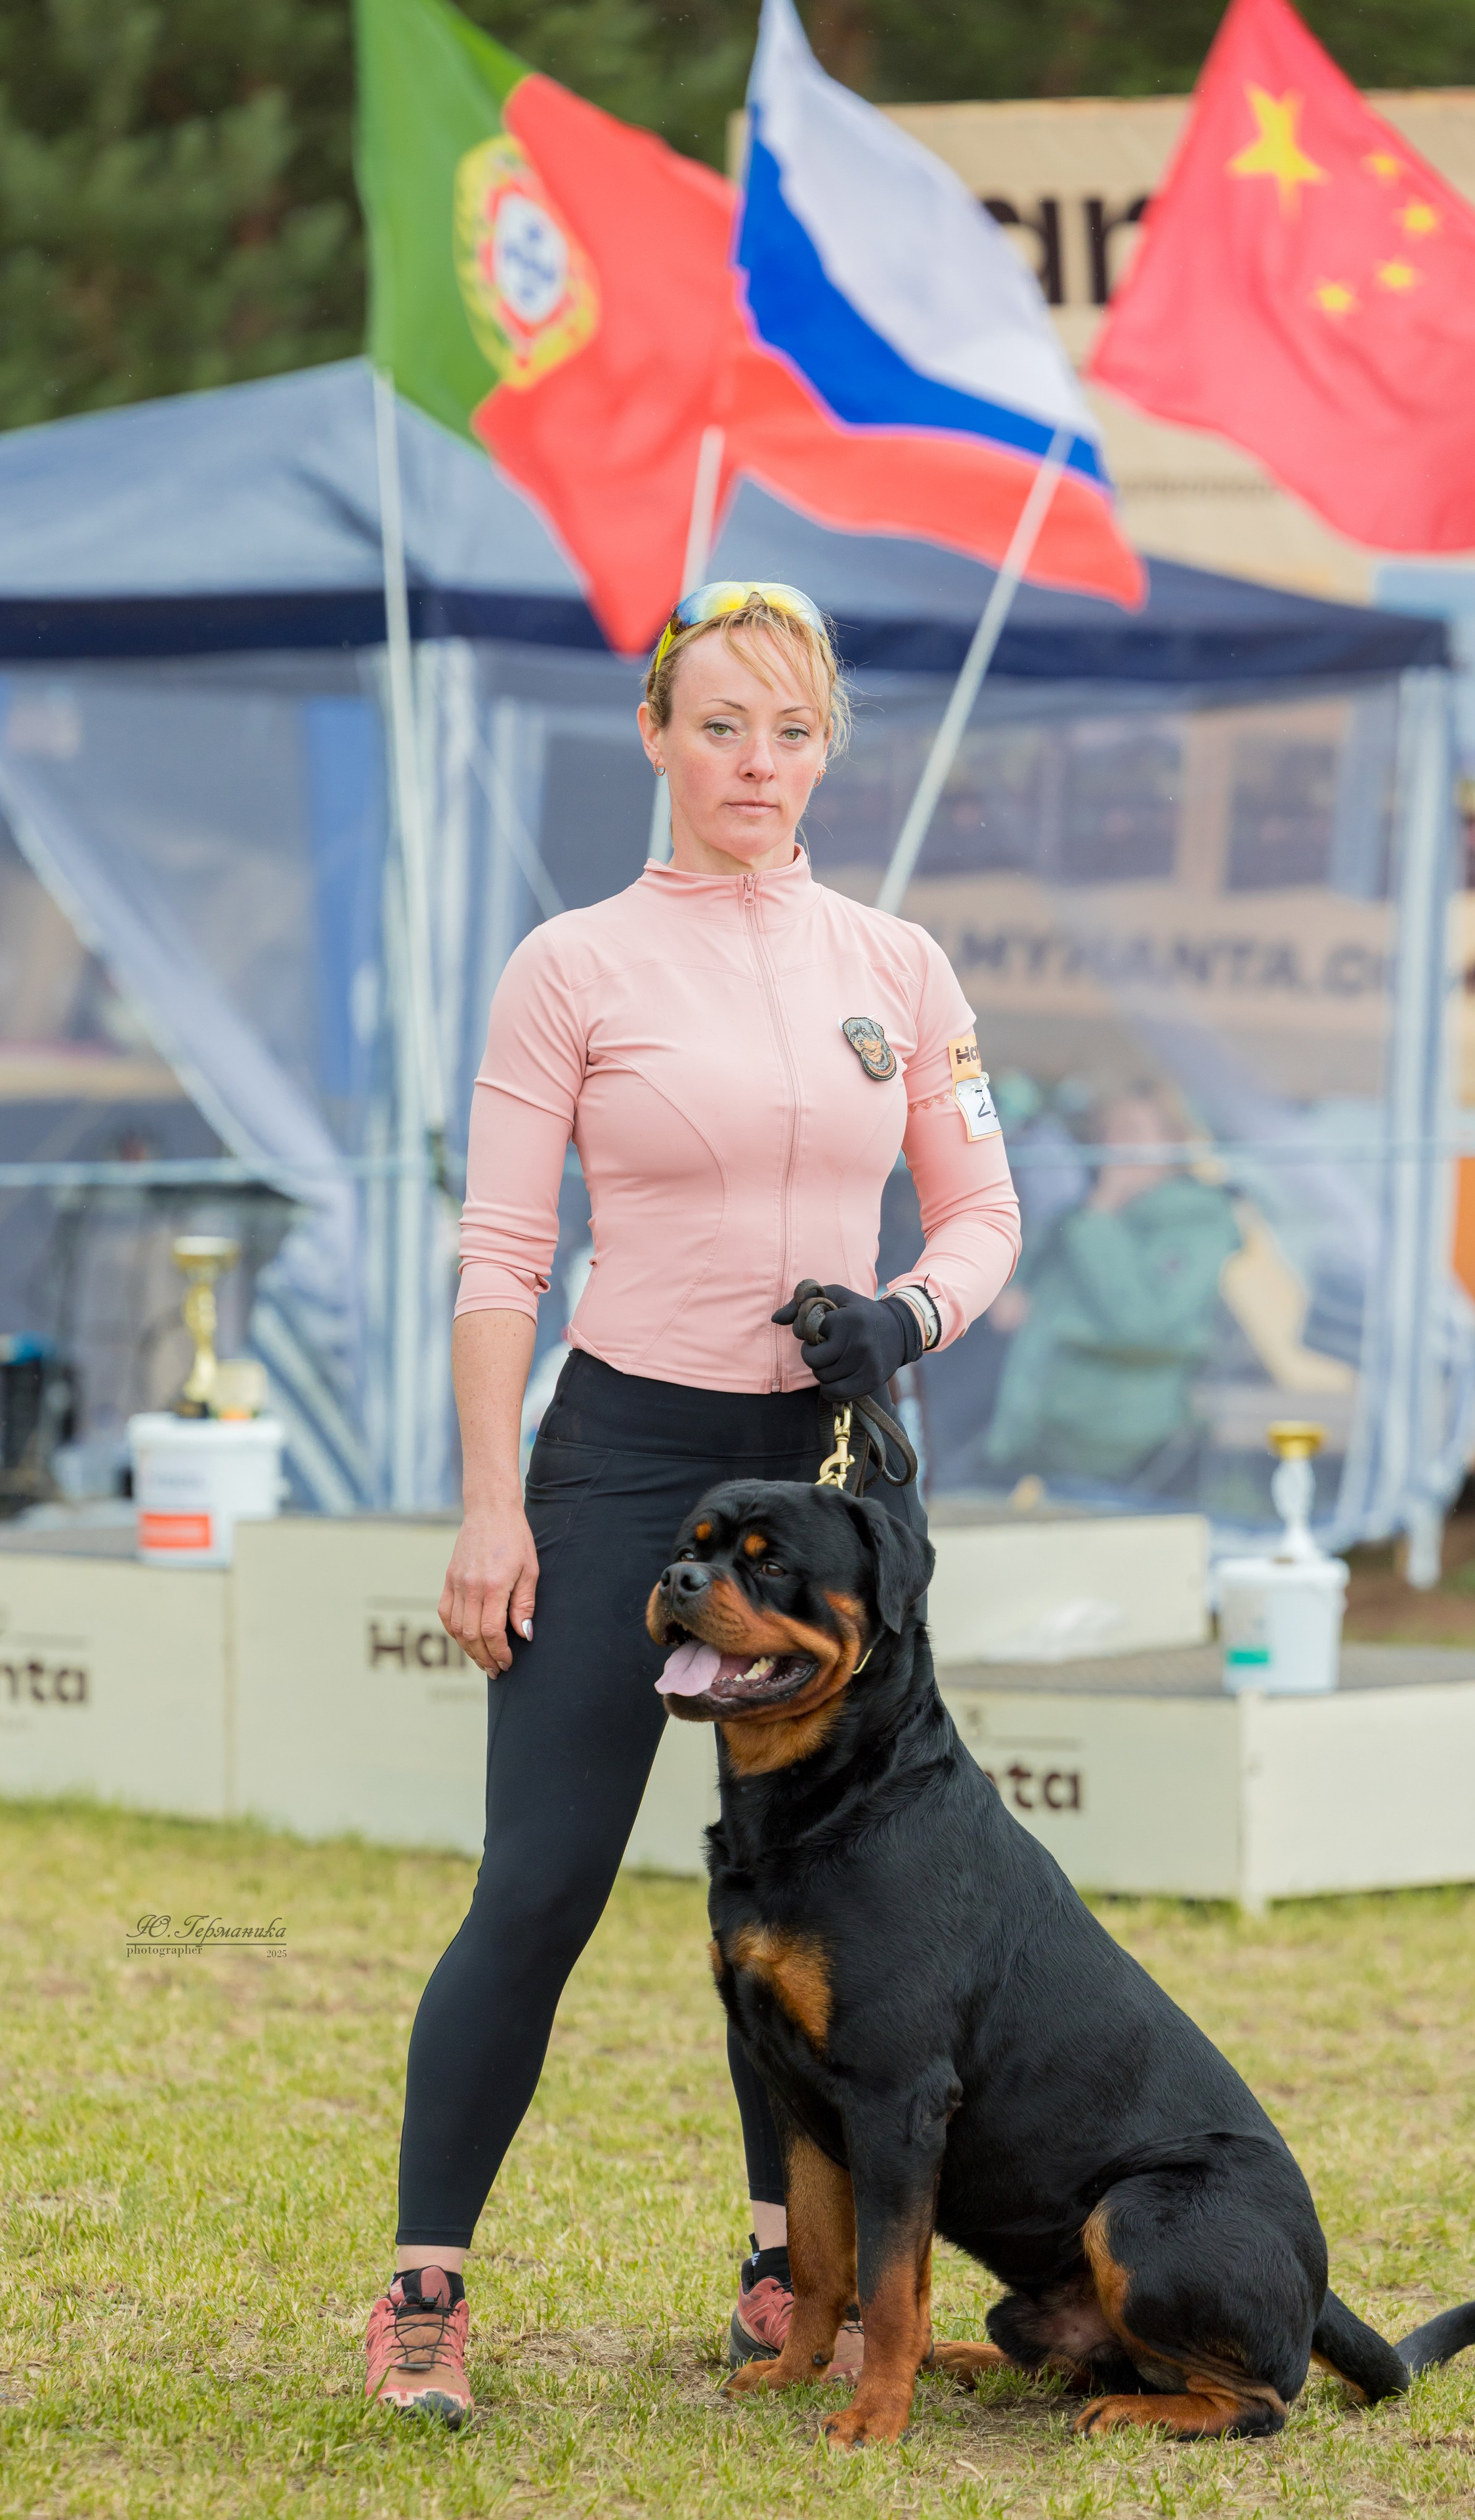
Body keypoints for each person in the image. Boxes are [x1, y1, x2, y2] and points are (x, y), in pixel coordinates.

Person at [363, 584, 1021, 2424]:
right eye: (722, 723)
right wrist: (495, 1505)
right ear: (655, 732)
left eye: (792, 729)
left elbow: (984, 1215)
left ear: (829, 748)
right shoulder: (570, 961)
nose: (759, 762)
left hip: (827, 1476)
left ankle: (781, 2258)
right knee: (543, 1881)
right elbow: (502, 1253)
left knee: (828, 1893)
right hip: (629, 1460)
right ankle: (426, 2283)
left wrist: (903, 1314)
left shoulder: (901, 962)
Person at [984, 1087, 1240, 1494]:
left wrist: (1102, 1212)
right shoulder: (1082, 1214)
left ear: (1174, 1142)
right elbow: (1027, 1281)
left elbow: (1144, 1319)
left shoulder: (1197, 1220)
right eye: (1107, 1132)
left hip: (1120, 1444)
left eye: (1134, 1132)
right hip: (1045, 1435)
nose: (1115, 1145)